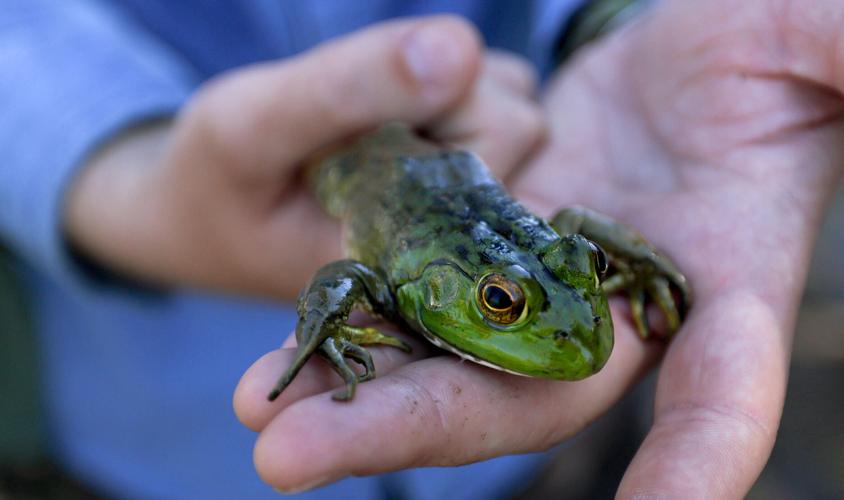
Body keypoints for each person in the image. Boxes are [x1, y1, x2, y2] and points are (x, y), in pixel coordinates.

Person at [2, 1, 842, 499]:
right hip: (165, 441)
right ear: (447, 295)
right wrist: (104, 165)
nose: (585, 329)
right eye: (502, 304)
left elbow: (576, 224)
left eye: (579, 278)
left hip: (529, 462)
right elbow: (345, 273)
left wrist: (619, 16)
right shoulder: (398, 280)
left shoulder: (555, 256)